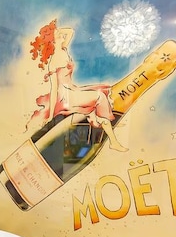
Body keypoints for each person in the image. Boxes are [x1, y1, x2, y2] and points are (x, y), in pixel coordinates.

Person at [27, 19, 127, 152]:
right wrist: (51, 115)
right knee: (99, 96)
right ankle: (109, 125)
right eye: (58, 35)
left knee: (97, 105)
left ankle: (111, 136)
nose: (62, 35)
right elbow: (54, 89)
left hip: (73, 90)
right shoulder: (53, 61)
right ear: (52, 40)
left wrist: (56, 31)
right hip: (66, 96)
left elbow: (70, 31)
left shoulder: (63, 49)